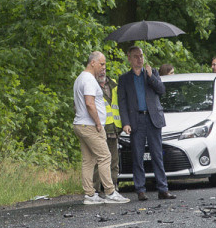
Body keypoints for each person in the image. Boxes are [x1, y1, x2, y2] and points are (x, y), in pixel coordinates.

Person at [117, 46, 175, 200]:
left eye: (141, 55)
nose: (139, 59)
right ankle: (140, 190)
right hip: (136, 120)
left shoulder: (152, 73)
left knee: (157, 155)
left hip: (153, 118)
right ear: (129, 58)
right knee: (138, 155)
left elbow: (161, 90)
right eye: (136, 56)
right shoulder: (124, 79)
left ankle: (163, 189)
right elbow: (122, 103)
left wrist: (151, 76)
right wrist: (125, 123)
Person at [72, 52, 129, 205]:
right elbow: (90, 103)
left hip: (80, 123)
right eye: (102, 64)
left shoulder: (80, 78)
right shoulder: (89, 80)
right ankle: (110, 192)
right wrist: (98, 123)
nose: (103, 67)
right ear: (93, 63)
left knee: (88, 160)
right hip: (90, 125)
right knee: (105, 157)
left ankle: (90, 194)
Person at [100, 63, 122, 190]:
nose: (103, 72)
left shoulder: (113, 84)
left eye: (104, 69)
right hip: (100, 129)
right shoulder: (93, 85)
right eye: (100, 69)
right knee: (99, 161)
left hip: (113, 129)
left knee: (114, 161)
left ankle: (113, 187)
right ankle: (97, 189)